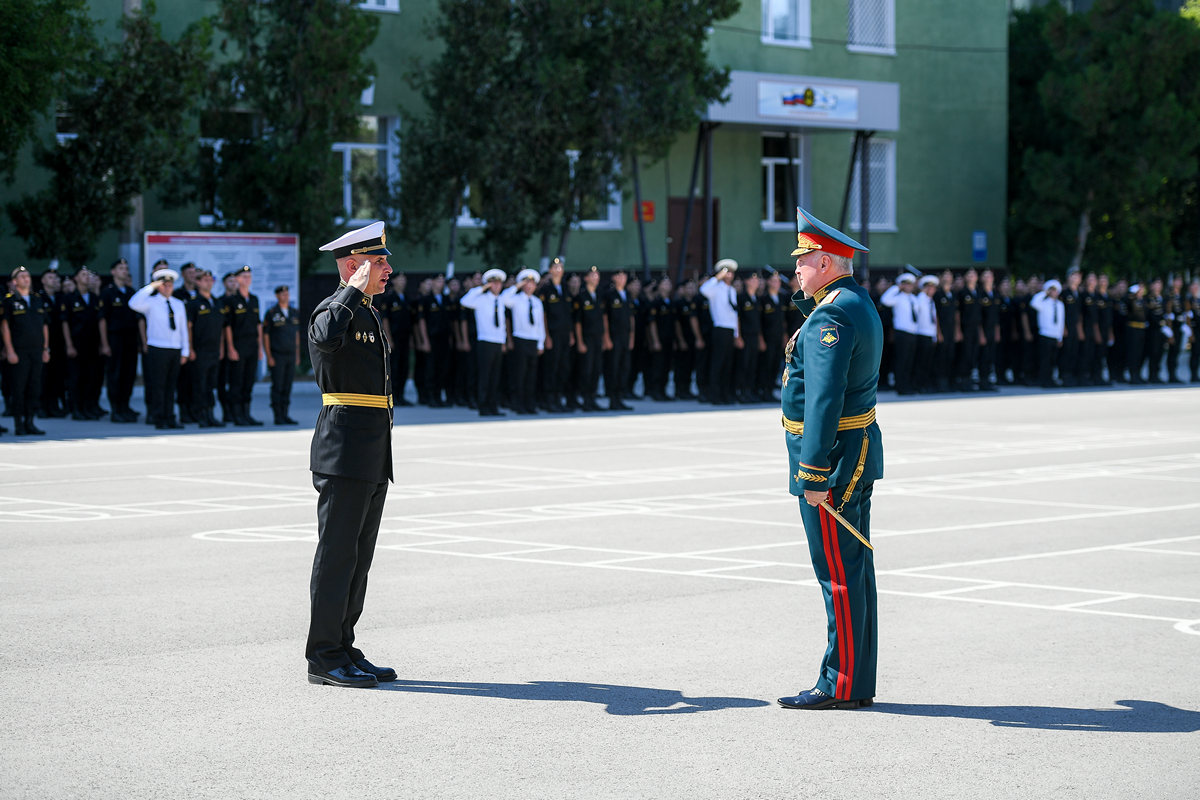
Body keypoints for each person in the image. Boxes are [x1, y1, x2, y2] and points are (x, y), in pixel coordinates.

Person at [776, 207, 881, 711]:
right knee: (854, 566)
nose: (796, 268)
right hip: (852, 446)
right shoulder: (853, 301)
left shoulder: (833, 313)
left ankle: (839, 681)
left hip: (832, 456)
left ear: (829, 261)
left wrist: (812, 472)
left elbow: (823, 397)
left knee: (838, 570)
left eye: (805, 259)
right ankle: (855, 680)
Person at [306, 221, 395, 689]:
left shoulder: (366, 313)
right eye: (378, 261)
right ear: (353, 265)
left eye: (383, 261)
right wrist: (349, 291)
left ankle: (343, 645)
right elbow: (322, 337)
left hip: (371, 454)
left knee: (359, 559)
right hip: (342, 454)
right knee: (337, 557)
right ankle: (322, 655)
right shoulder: (333, 308)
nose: (388, 269)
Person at [128, 267, 190, 429]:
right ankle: (158, 418)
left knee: (171, 386)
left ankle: (170, 417)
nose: (167, 288)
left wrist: (185, 350)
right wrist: (151, 287)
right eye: (163, 284)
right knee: (158, 386)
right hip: (158, 348)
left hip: (175, 349)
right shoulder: (150, 302)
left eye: (169, 285)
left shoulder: (178, 304)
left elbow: (183, 328)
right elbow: (133, 303)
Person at [0, 266, 50, 435]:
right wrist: (10, 350)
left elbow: (44, 326)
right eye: (22, 276)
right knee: (18, 389)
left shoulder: (37, 299)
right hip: (19, 351)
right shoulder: (9, 301)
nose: (26, 279)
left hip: (36, 350)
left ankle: (30, 422)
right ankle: (19, 424)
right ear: (15, 281)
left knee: (34, 388)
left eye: (27, 276)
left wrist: (45, 349)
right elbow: (5, 327)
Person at [459, 269, 508, 416]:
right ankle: (483, 406)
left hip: (498, 342)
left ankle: (493, 406)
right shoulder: (480, 299)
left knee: (495, 376)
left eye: (499, 283)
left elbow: (503, 323)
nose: (496, 286)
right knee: (485, 376)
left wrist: (504, 341)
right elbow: (464, 301)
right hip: (485, 342)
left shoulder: (501, 299)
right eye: (493, 283)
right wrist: (482, 288)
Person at [98, 258, 142, 422]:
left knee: (129, 374)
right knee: (115, 374)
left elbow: (137, 320)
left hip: (130, 338)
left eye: (126, 268)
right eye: (121, 268)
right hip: (114, 338)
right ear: (113, 272)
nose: (125, 271)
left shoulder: (131, 292)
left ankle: (125, 406)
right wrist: (105, 343)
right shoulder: (108, 292)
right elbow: (102, 319)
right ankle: (116, 409)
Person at [61, 268, 105, 419]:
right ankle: (76, 409)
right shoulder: (69, 298)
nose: (87, 278)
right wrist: (69, 345)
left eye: (89, 275)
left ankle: (87, 407)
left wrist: (102, 343)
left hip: (92, 343)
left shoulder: (94, 298)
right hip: (77, 342)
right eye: (84, 275)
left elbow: (100, 321)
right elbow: (65, 322)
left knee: (90, 376)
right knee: (75, 378)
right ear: (76, 278)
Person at [223, 266, 264, 426]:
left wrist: (259, 348)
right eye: (244, 276)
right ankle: (236, 414)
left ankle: (246, 414)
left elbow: (258, 325)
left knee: (248, 381)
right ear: (238, 279)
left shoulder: (254, 299)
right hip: (238, 346)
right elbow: (227, 327)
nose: (247, 279)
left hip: (252, 346)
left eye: (249, 276)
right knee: (236, 381)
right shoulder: (231, 300)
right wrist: (231, 348)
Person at [501, 269, 545, 415]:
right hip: (520, 339)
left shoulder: (537, 302)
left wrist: (540, 343)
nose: (529, 286)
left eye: (532, 283)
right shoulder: (516, 299)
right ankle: (518, 404)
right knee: (519, 375)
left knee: (531, 376)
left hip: (533, 340)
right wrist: (516, 286)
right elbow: (503, 298)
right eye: (526, 283)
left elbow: (540, 324)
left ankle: (529, 404)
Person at [186, 270, 226, 428]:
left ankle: (210, 414)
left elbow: (222, 328)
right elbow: (189, 327)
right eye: (205, 280)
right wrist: (190, 348)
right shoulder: (193, 303)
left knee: (211, 385)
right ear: (198, 282)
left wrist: (222, 347)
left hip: (214, 350)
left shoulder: (217, 302)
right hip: (200, 350)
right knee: (200, 385)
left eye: (210, 280)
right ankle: (201, 415)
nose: (208, 282)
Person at [536, 258, 574, 412]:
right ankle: (548, 399)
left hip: (565, 334)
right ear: (550, 270)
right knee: (551, 367)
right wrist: (546, 336)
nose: (559, 270)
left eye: (561, 267)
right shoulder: (545, 290)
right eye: (556, 267)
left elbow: (569, 314)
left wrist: (571, 334)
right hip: (553, 334)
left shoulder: (565, 289)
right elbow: (543, 315)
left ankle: (558, 398)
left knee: (563, 367)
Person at [700, 260, 739, 405]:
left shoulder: (732, 290)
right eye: (725, 271)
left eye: (731, 272)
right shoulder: (715, 288)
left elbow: (735, 315)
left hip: (730, 330)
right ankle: (714, 395)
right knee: (717, 364)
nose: (729, 274)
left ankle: (725, 394)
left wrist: (736, 334)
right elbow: (703, 290)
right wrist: (717, 277)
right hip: (720, 328)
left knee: (728, 365)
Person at [265, 285, 301, 425]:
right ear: (277, 296)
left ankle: (285, 414)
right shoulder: (272, 313)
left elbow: (296, 334)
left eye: (287, 294)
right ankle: (277, 415)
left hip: (290, 354)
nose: (285, 296)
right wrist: (269, 356)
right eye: (283, 294)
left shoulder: (294, 312)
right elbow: (266, 335)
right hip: (277, 354)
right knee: (278, 385)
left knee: (287, 385)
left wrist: (297, 354)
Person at [379, 273, 415, 407]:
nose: (402, 282)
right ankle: (392, 396)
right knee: (394, 367)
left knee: (403, 367)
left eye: (404, 279)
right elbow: (385, 319)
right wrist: (389, 338)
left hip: (405, 338)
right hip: (394, 338)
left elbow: (410, 321)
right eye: (399, 279)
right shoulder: (388, 298)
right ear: (393, 281)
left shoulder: (406, 298)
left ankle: (401, 395)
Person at [600, 269, 634, 411]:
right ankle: (613, 399)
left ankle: (620, 397)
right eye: (619, 275)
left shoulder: (628, 295)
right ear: (613, 278)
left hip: (626, 336)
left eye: (624, 275)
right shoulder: (609, 295)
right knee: (613, 368)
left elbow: (631, 318)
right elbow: (605, 318)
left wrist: (632, 337)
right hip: (614, 337)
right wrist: (606, 338)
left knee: (624, 368)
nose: (622, 278)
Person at [573, 266, 606, 412]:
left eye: (597, 275)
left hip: (598, 337)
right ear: (586, 278)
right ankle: (585, 399)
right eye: (593, 275)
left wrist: (605, 338)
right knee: (586, 369)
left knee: (596, 369)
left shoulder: (599, 295)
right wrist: (580, 341)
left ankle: (592, 398)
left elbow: (603, 319)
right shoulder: (581, 296)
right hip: (586, 338)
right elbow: (578, 322)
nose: (596, 278)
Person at [880, 274, 918, 395]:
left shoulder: (914, 298)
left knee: (909, 361)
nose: (908, 286)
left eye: (910, 284)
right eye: (905, 284)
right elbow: (885, 300)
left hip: (913, 333)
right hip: (902, 332)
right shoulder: (898, 297)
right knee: (901, 361)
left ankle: (907, 385)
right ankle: (900, 387)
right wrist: (897, 288)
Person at [38, 270, 68, 418]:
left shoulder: (61, 298)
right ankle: (42, 406)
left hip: (59, 342)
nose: (53, 280)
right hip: (44, 343)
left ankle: (54, 405)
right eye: (49, 277)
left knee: (57, 376)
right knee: (44, 376)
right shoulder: (39, 298)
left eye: (55, 277)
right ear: (43, 280)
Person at [734, 272, 764, 403]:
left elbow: (758, 321)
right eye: (753, 279)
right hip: (744, 336)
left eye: (757, 280)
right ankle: (741, 392)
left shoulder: (756, 298)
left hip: (754, 336)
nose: (756, 282)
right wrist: (738, 336)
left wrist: (760, 339)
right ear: (746, 281)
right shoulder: (741, 298)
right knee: (743, 365)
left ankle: (749, 391)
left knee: (752, 365)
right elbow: (738, 319)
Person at [1030, 279, 1065, 388]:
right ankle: (1043, 380)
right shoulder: (1043, 303)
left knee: (1053, 360)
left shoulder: (1060, 304)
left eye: (1055, 290)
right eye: (1051, 290)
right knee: (1044, 359)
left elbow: (1061, 321)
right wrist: (1044, 292)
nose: (1053, 292)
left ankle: (1051, 379)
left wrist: (1060, 337)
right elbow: (1033, 302)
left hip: (1055, 335)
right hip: (1045, 334)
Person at [648, 276, 678, 402]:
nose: (667, 286)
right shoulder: (656, 303)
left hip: (669, 339)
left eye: (668, 284)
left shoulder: (671, 302)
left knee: (666, 366)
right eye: (664, 284)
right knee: (658, 366)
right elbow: (652, 323)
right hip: (659, 339)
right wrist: (655, 341)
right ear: (659, 287)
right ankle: (655, 391)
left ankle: (663, 391)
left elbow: (675, 324)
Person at [759, 269, 787, 402]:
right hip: (767, 338)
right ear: (768, 282)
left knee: (776, 365)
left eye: (778, 281)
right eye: (774, 280)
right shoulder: (764, 299)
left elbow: (783, 321)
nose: (777, 283)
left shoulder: (782, 298)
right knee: (766, 365)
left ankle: (770, 390)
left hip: (778, 338)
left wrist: (784, 336)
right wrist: (761, 339)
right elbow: (759, 321)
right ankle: (764, 390)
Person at [954, 268, 982, 391]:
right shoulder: (962, 293)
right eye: (969, 274)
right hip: (965, 328)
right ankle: (963, 380)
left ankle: (970, 379)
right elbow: (958, 313)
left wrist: (981, 333)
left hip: (976, 328)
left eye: (974, 274)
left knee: (973, 354)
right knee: (965, 354)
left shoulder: (978, 293)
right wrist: (958, 330)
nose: (972, 276)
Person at [914, 275, 939, 392]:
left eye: (932, 287)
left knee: (929, 362)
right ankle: (919, 385)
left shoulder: (931, 301)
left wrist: (935, 336)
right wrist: (922, 292)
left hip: (930, 334)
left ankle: (926, 384)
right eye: (927, 287)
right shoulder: (920, 298)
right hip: (922, 334)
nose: (930, 290)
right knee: (921, 362)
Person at [978, 269, 1001, 391]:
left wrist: (997, 332)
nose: (988, 278)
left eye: (990, 275)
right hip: (984, 330)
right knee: (983, 356)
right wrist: (981, 334)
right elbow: (978, 317)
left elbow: (996, 316)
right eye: (985, 275)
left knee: (990, 356)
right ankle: (982, 381)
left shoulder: (995, 294)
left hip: (993, 329)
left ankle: (988, 379)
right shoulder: (980, 294)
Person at [1125, 283, 1148, 384]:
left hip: (1142, 329)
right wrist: (1131, 292)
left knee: (1140, 354)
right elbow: (1126, 302)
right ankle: (1133, 375)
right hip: (1133, 328)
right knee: (1133, 354)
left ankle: (1138, 374)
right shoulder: (1131, 299)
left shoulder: (1143, 301)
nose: (1141, 289)